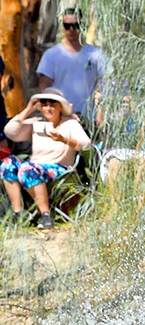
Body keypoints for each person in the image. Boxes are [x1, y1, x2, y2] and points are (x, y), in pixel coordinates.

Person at [2, 89, 91, 228]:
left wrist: (62, 139)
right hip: (34, 166)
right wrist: (28, 109)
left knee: (27, 169)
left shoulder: (70, 123)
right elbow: (9, 131)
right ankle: (19, 213)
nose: (48, 108)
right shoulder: (37, 122)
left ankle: (45, 215)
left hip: (60, 168)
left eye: (52, 104)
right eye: (44, 104)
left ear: (60, 107)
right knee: (7, 164)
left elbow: (86, 144)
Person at [36, 8, 106, 123]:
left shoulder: (96, 54)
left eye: (75, 25)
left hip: (88, 119)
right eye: (67, 26)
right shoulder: (51, 55)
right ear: (63, 27)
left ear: (82, 26)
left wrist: (100, 114)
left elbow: (106, 83)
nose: (71, 30)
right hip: (60, 120)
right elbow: (44, 87)